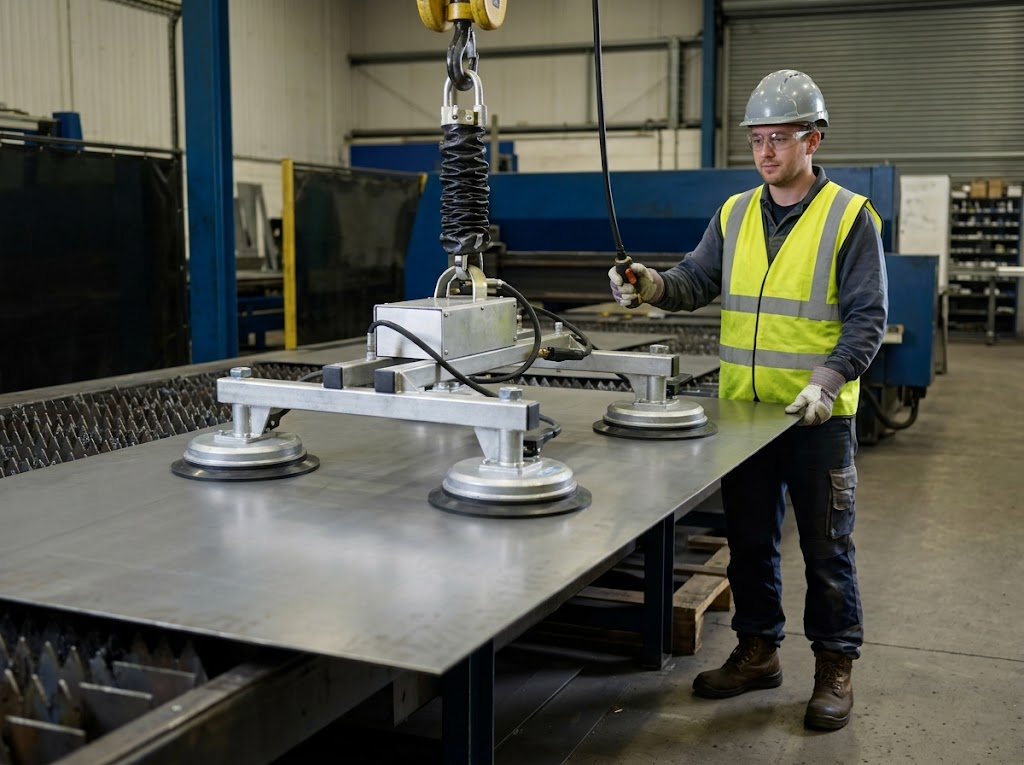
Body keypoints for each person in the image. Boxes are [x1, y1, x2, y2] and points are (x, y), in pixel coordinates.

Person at [608, 69, 887, 732]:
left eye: (780, 138)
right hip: (746, 415)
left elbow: (867, 317)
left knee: (827, 548)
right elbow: (693, 281)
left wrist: (827, 379)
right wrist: (647, 284)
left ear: (812, 140)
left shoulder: (849, 218)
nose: (766, 151)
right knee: (749, 542)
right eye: (758, 139)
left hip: (817, 417)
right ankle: (758, 649)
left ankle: (834, 664)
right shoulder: (734, 215)